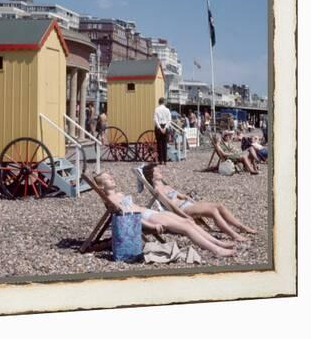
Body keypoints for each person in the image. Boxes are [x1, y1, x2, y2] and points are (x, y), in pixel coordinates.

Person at [94, 172, 235, 257]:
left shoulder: (120, 194)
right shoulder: (111, 200)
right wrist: (151, 226)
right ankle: (216, 250)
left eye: (110, 176)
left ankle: (218, 242)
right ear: (101, 186)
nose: (111, 178)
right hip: (146, 218)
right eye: (107, 178)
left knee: (189, 222)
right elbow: (130, 216)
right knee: (186, 228)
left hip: (150, 212)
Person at [142, 163, 257, 241]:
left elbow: (183, 196)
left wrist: (193, 201)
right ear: (152, 176)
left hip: (189, 204)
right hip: (183, 209)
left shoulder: (165, 185)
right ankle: (234, 235)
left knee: (219, 206)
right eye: (157, 171)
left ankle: (242, 227)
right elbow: (171, 206)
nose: (160, 171)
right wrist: (184, 216)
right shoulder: (158, 190)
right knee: (213, 211)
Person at [153, 97, 171, 165]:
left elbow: (155, 120)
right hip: (165, 126)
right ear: (164, 102)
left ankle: (160, 160)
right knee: (164, 144)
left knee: (159, 144)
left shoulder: (156, 109)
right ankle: (165, 160)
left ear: (159, 102)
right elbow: (169, 120)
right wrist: (165, 128)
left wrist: (160, 128)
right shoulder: (167, 110)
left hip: (158, 127)